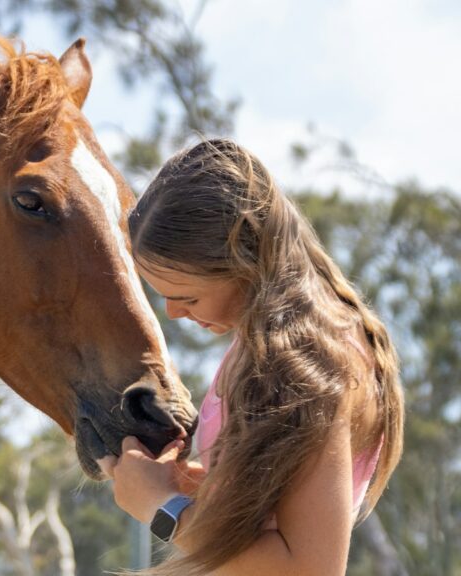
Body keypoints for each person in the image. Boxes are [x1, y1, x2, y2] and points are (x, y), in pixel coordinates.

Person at [97, 138, 404, 575]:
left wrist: (162, 506)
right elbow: (272, 520)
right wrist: (186, 487)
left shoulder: (306, 363)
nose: (174, 313)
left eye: (187, 296)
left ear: (243, 253)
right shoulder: (269, 348)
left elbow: (311, 568)